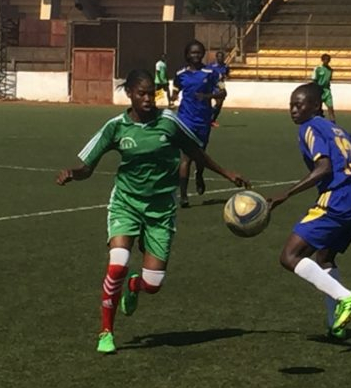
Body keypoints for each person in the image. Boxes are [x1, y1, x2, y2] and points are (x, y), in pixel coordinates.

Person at [56, 69, 249, 354]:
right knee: (118, 263)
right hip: (126, 204)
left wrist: (227, 173)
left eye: (152, 94)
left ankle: (134, 287)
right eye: (142, 94)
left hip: (161, 210)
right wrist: (73, 172)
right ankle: (106, 332)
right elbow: (87, 167)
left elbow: (196, 152)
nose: (148, 99)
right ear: (130, 95)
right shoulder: (116, 127)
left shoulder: (168, 122)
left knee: (153, 283)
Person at [267, 82, 351, 338]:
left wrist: (287, 194)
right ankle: (335, 325)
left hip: (337, 199)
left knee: (289, 256)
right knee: (325, 258)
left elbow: (324, 168)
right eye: (291, 105)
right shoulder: (339, 130)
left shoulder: (310, 128)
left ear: (316, 106)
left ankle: (345, 297)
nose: (294, 110)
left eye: (299, 104)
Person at [171, 40, 223, 207]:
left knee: (200, 155)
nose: (196, 55)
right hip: (185, 119)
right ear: (187, 55)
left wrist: (207, 97)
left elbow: (223, 92)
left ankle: (199, 175)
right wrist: (171, 97)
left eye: (199, 52)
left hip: (203, 120)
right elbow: (176, 91)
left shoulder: (211, 72)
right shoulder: (180, 74)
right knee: (186, 157)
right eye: (192, 52)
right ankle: (184, 196)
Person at [208, 50, 229, 127]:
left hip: (220, 85)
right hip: (212, 85)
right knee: (213, 102)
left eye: (222, 57)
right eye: (219, 57)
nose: (220, 58)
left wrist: (222, 81)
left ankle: (212, 120)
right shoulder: (211, 66)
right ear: (216, 57)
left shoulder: (225, 66)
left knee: (220, 104)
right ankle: (209, 118)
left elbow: (226, 74)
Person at [312, 53, 335, 122]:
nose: (326, 61)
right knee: (318, 108)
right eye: (325, 59)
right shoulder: (318, 69)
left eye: (328, 60)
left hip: (327, 91)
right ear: (322, 60)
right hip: (319, 90)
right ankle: (317, 122)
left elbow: (329, 79)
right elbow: (314, 79)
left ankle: (333, 123)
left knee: (330, 108)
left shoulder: (330, 70)